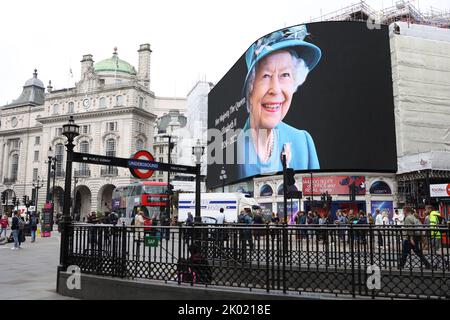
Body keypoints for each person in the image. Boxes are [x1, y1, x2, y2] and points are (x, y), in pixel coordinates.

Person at [237, 24, 322, 179]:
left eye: (285, 75)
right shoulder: (233, 150)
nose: (275, 89)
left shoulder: (303, 143)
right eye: (266, 75)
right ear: (250, 88)